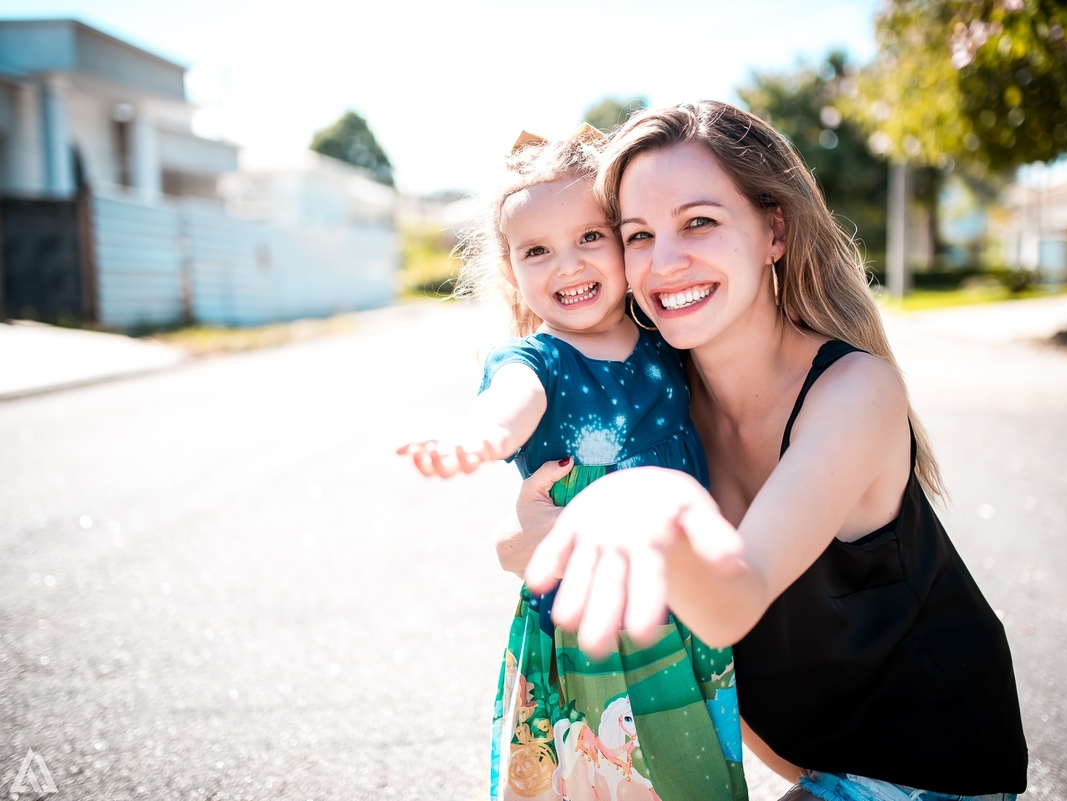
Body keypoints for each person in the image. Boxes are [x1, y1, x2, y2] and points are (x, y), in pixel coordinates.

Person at [501, 102, 1027, 801]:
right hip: (811, 769)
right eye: (637, 234)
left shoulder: (854, 392)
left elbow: (730, 602)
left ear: (773, 230)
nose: (665, 261)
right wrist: (531, 539)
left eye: (699, 223)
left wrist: (638, 505)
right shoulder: (659, 404)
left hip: (930, 773)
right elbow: (543, 530)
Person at [397, 126, 748, 801]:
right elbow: (509, 402)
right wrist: (480, 438)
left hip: (680, 602)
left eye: (590, 237)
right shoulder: (538, 358)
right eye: (537, 250)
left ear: (625, 240)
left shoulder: (664, 340)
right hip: (584, 615)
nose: (567, 265)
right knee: (591, 771)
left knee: (692, 767)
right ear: (511, 273)